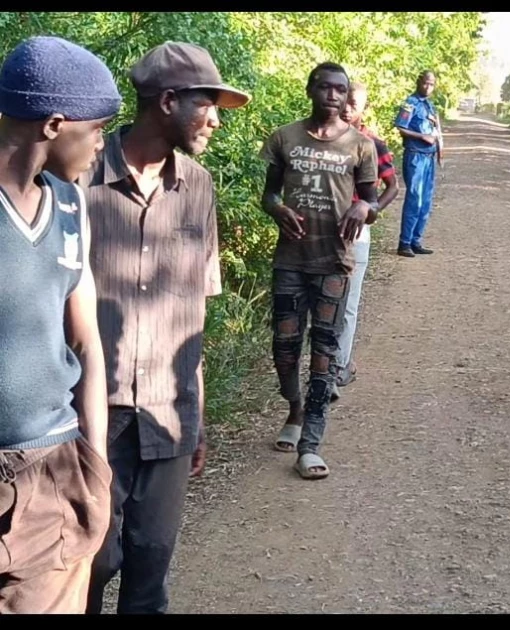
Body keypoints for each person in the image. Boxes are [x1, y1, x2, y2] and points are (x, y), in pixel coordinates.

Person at [80, 41, 251, 615]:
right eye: (209, 104)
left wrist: (196, 414)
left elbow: (194, 311)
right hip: (89, 416)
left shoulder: (197, 186)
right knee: (88, 565)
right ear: (169, 101)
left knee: (150, 568)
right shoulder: (77, 179)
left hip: (169, 413)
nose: (216, 119)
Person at [0, 35, 120, 614]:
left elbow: (87, 342)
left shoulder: (71, 209)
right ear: (53, 124)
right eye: (96, 128)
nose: (102, 143)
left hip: (53, 470)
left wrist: (96, 472)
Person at [262, 62, 378, 478]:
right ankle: (294, 409)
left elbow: (372, 200)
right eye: (325, 87)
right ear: (311, 89)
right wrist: (277, 209)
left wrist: (366, 207)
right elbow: (269, 193)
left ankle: (310, 442)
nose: (333, 95)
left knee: (325, 350)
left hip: (334, 260)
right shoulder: (284, 137)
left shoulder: (360, 146)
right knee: (285, 346)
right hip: (290, 259)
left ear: (348, 97)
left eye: (341, 90)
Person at [335, 81, 399, 390]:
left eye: (354, 104)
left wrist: (370, 211)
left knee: (347, 302)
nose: (346, 108)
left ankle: (339, 366)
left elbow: (392, 187)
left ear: (364, 109)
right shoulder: (323, 139)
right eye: (343, 101)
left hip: (355, 235)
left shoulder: (373, 143)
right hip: (320, 233)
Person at [394, 70, 442, 258]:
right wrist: (422, 136)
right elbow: (401, 127)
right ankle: (404, 243)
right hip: (415, 156)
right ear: (418, 82)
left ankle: (415, 241)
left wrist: (439, 149)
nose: (428, 87)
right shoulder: (410, 103)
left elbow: (436, 130)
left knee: (426, 202)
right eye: (425, 83)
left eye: (432, 84)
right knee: (415, 199)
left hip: (429, 157)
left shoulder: (430, 105)